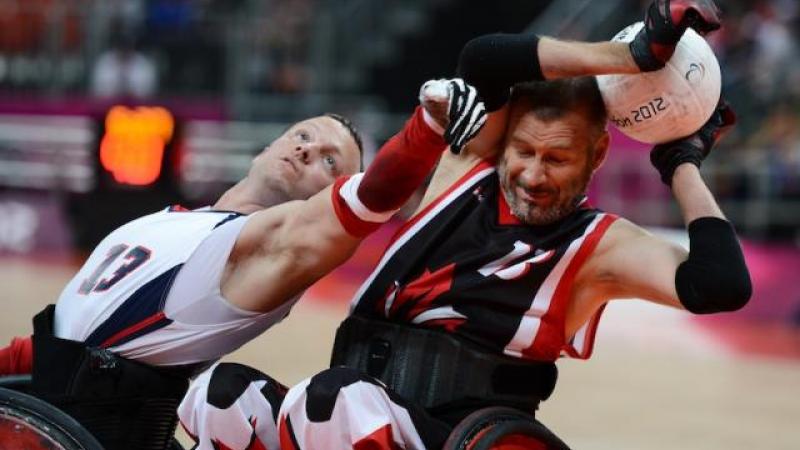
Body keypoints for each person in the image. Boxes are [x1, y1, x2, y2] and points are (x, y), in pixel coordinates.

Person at [178, 1, 752, 449]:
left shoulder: (597, 246)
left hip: (451, 431)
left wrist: (682, 163)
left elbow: (720, 284)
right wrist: (630, 57)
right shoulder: (468, 167)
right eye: (524, 151)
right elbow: (484, 58)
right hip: (351, 410)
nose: (531, 174)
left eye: (556, 159)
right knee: (220, 395)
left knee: (333, 402)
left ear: (596, 157)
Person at [0, 79, 487, 449]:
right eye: (302, 135)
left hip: (81, 433)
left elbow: (372, 197)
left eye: (330, 163)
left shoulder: (267, 248)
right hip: (31, 412)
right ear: (269, 146)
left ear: (328, 195)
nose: (306, 148)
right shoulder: (164, 221)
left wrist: (429, 127)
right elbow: (59, 341)